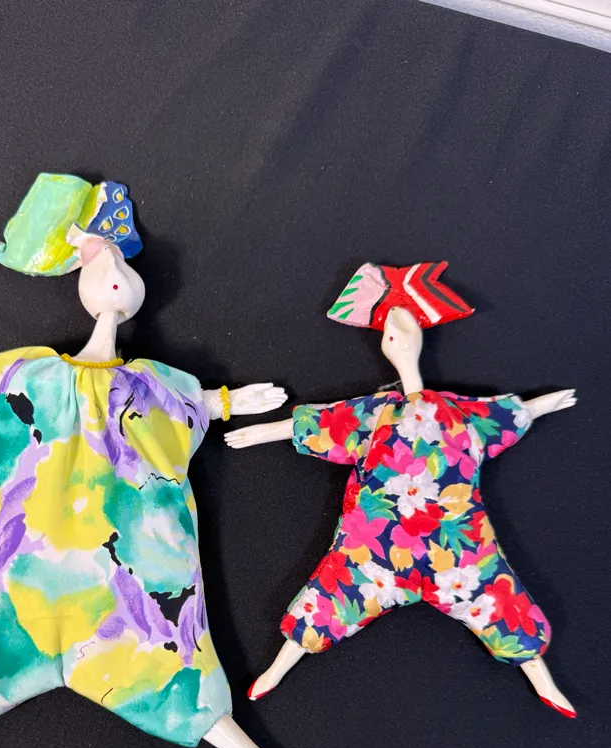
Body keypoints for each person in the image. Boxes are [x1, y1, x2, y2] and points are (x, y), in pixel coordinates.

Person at [0, 173, 291, 748]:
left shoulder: (145, 383)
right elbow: (6, 402)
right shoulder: (41, 373)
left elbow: (183, 403)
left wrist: (229, 401)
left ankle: (208, 720)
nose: (114, 276)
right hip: (21, 572)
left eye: (121, 265)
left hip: (124, 583)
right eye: (101, 261)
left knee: (163, 635)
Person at [226, 262, 576, 716]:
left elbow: (503, 417)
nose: (400, 338)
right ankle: (277, 669)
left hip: (456, 547)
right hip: (377, 548)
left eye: (406, 328)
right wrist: (265, 432)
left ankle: (544, 682)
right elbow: (328, 424)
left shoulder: (458, 414)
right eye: (393, 331)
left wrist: (539, 406)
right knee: (329, 598)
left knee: (497, 599)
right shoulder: (378, 414)